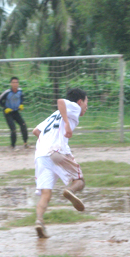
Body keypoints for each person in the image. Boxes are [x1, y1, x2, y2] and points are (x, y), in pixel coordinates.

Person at [31, 88, 88, 238]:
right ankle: (69, 191)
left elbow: (36, 131)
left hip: (41, 155)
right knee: (79, 180)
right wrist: (67, 124)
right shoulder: (74, 107)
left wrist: (46, 143)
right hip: (57, 151)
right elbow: (60, 101)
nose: (86, 107)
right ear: (80, 101)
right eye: (86, 103)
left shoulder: (53, 116)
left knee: (46, 193)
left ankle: (39, 221)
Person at [0, 77, 28, 150]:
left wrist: (21, 104)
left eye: (16, 82)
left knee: (23, 125)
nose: (15, 84)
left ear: (18, 83)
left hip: (16, 111)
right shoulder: (7, 92)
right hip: (8, 113)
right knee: (13, 129)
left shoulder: (20, 91)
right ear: (11, 84)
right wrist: (5, 108)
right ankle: (12, 146)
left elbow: (22, 98)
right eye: (13, 82)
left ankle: (25, 143)